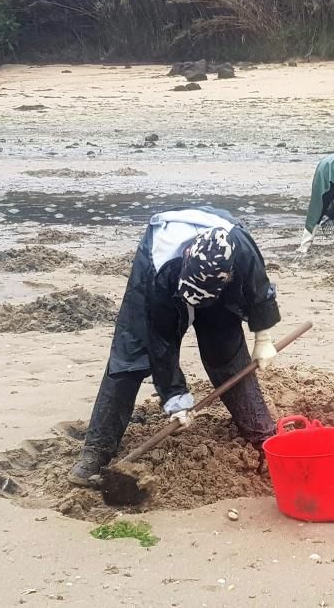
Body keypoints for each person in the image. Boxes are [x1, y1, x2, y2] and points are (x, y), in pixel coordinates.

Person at [68, 207, 281, 486]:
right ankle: (96, 452)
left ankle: (264, 437)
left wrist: (263, 338)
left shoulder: (239, 248)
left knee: (225, 349)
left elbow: (258, 288)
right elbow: (161, 339)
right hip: (164, 272)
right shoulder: (161, 267)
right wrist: (175, 398)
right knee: (131, 352)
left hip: (216, 274)